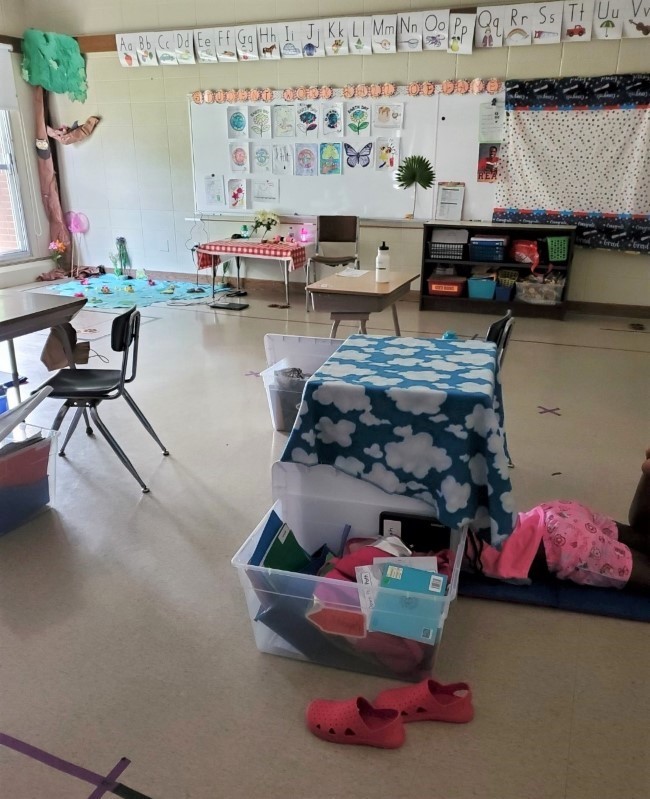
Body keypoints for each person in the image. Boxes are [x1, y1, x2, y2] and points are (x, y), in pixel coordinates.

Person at [466, 447, 650, 595]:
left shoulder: (445, 549)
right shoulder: (454, 506)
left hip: (566, 543)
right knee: (641, 537)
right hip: (555, 514)